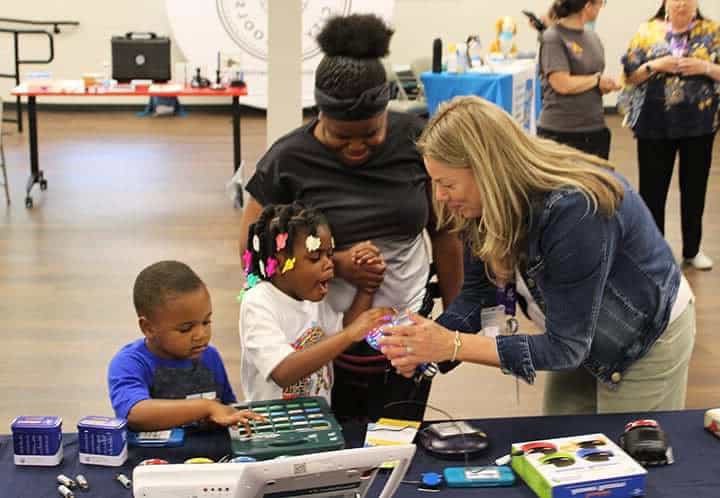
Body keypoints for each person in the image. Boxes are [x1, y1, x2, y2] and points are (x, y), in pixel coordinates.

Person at [380, 95, 696, 415]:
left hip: (642, 338)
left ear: (487, 171)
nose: (440, 197)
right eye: (434, 183)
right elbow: (477, 296)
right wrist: (424, 342)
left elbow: (565, 349)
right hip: (574, 330)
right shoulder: (480, 205)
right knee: (564, 445)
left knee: (631, 457)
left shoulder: (575, 210)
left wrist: (452, 345)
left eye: (447, 184)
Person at [239, 14, 462, 421]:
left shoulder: (416, 141)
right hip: (322, 337)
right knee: (335, 438)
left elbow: (447, 236)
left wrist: (455, 320)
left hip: (406, 326)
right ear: (319, 114)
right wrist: (337, 263)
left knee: (397, 436)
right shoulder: (287, 160)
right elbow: (254, 260)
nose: (356, 148)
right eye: (341, 137)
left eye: (370, 134)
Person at [239, 203, 394, 404]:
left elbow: (342, 334)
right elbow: (282, 372)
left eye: (329, 254)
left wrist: (367, 287)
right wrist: (351, 333)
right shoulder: (258, 302)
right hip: (273, 428)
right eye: (315, 257)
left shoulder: (312, 299)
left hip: (319, 422)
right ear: (279, 263)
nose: (329, 263)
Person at [621, 0, 720, 270]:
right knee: (652, 191)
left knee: (695, 187)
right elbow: (630, 75)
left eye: (688, 1)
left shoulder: (712, 31)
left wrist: (706, 68)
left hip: (699, 124)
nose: (682, 4)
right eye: (676, 0)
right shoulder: (647, 31)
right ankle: (653, 251)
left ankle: (693, 249)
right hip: (654, 124)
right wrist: (656, 65)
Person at [108, 261, 264, 432]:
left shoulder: (210, 357)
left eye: (206, 322)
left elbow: (227, 408)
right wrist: (206, 408)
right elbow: (135, 414)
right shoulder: (130, 363)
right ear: (148, 328)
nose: (201, 334)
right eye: (186, 328)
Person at [538, 0, 620, 159]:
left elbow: (591, 80)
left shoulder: (593, 37)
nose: (600, 9)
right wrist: (596, 81)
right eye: (600, 4)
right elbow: (561, 83)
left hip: (594, 129)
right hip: (561, 132)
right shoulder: (553, 37)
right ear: (588, 6)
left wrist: (604, 85)